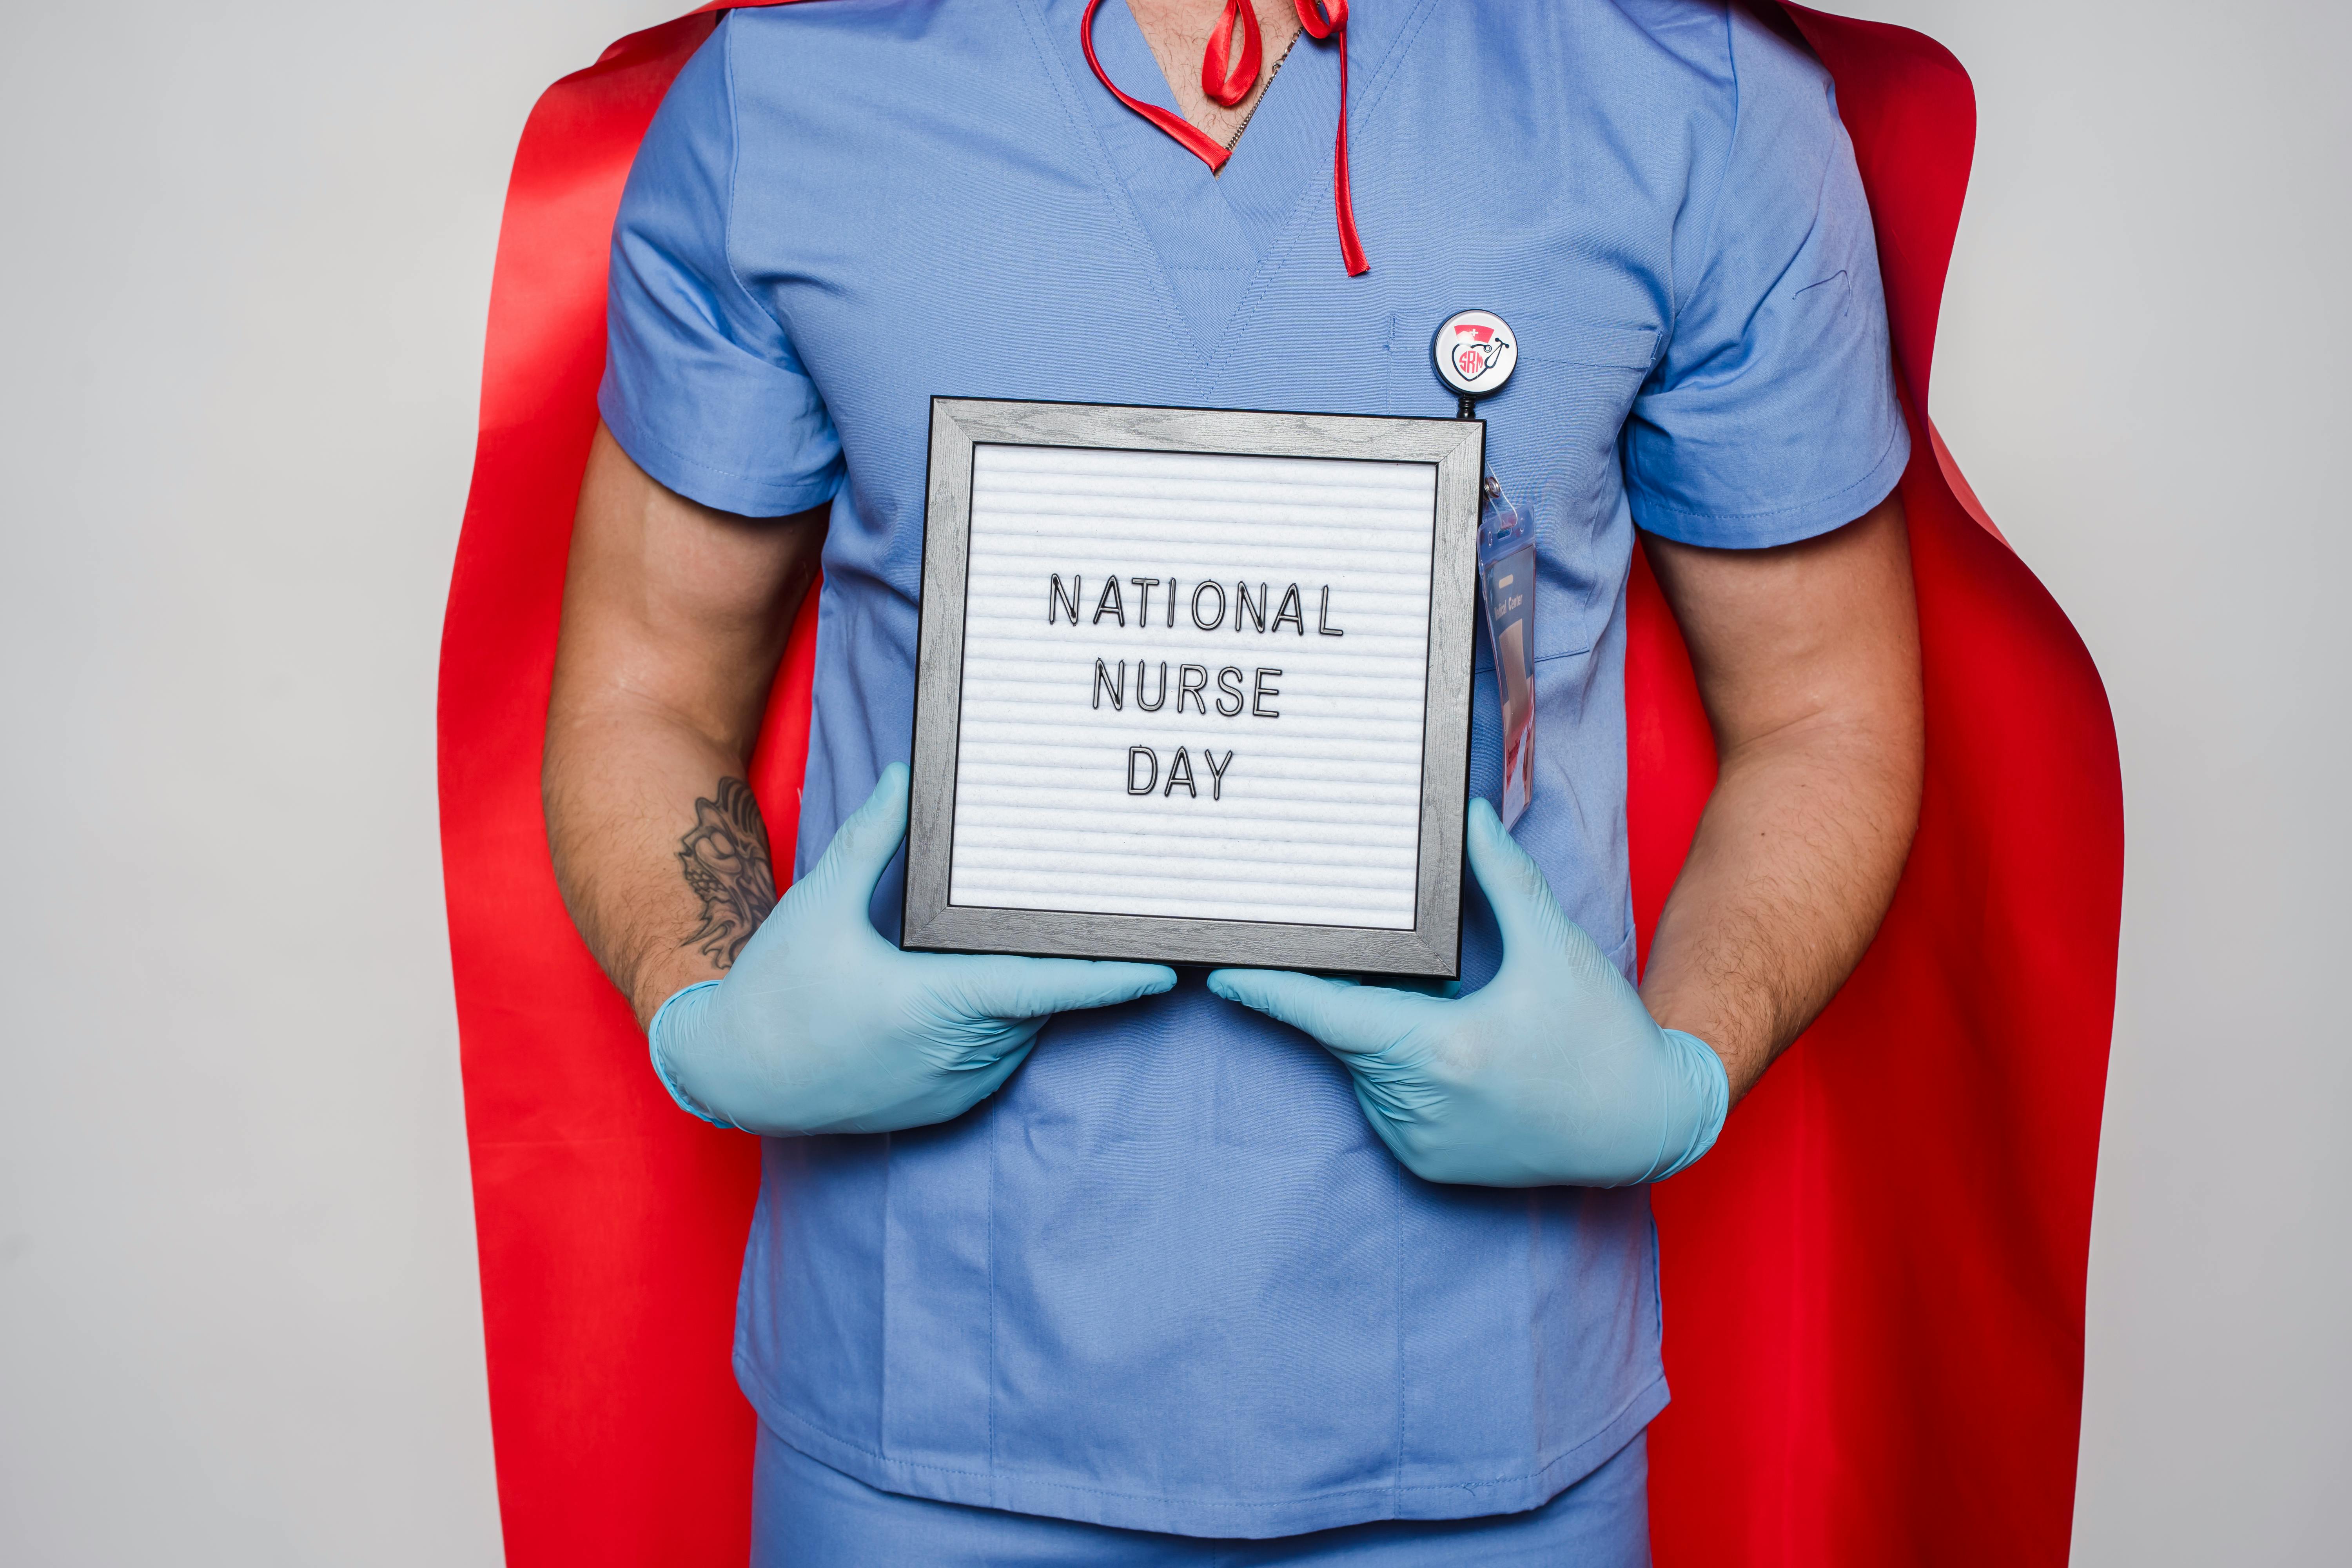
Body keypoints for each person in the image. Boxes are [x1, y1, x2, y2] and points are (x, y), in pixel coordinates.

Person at [543, 0, 1923, 1559]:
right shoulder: (789, 98)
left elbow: (1825, 710)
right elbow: (649, 676)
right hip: (920, 1395)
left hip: (1478, 1414)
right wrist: (711, 1003)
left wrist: (1677, 1071)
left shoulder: (1689, 101)